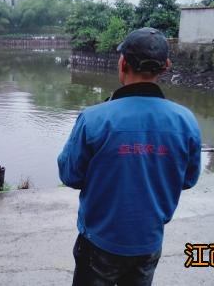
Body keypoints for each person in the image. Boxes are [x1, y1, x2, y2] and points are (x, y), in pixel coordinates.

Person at [58, 27, 202, 286]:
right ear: (165, 66)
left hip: (99, 241)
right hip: (148, 242)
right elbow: (189, 179)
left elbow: (70, 175)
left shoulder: (94, 118)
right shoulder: (185, 120)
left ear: (122, 63)